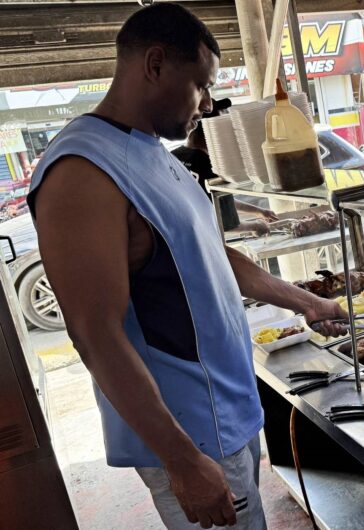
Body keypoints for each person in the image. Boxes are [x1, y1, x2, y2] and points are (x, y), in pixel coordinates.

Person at [26, 4, 347, 529]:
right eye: (200, 85)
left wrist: (310, 303)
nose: (207, 102)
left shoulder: (152, 151)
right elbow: (94, 333)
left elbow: (212, 255)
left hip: (226, 413)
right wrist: (180, 460)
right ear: (155, 65)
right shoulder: (82, 170)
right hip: (189, 433)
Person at [171, 98, 279, 236]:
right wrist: (257, 226)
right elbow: (227, 225)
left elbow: (218, 201)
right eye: (223, 125)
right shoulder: (210, 166)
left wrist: (259, 211)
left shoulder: (173, 156)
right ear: (213, 130)